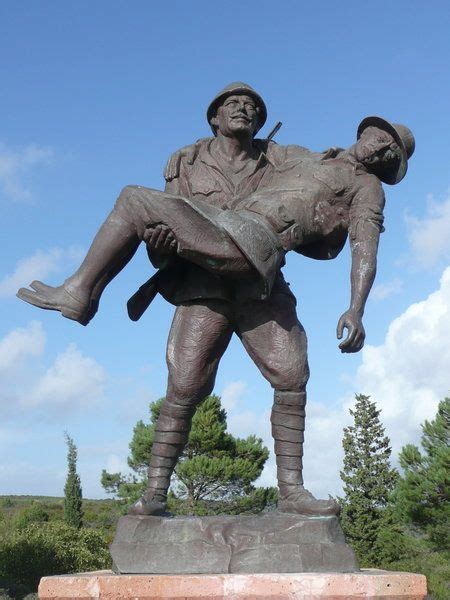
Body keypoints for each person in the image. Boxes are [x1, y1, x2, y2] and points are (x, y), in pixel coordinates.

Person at [17, 84, 414, 517]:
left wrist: (357, 308)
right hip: (207, 278)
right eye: (377, 135)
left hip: (253, 256)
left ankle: (293, 492)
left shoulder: (364, 188)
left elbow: (364, 248)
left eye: (388, 147)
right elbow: (236, 157)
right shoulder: (297, 155)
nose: (378, 145)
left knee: (291, 374)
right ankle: (153, 495)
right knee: (184, 386)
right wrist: (180, 178)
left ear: (391, 161)